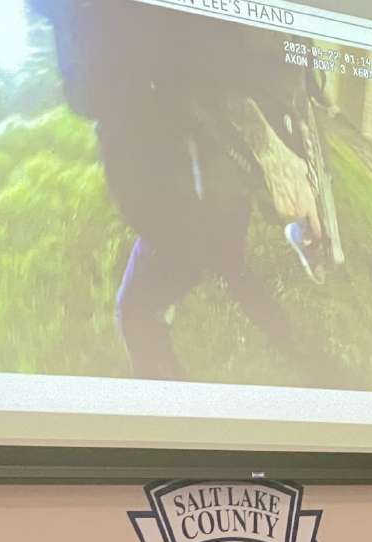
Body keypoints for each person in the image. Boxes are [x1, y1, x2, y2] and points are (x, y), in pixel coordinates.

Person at [28, 0, 334, 381]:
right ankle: (301, 352)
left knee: (137, 312)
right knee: (231, 265)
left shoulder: (106, 28)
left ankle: (176, 426)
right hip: (215, 176)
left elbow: (92, 95)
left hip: (179, 192)